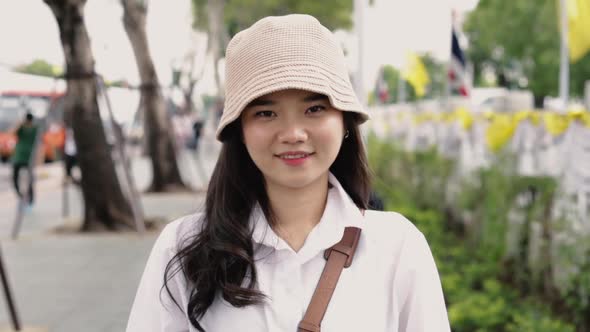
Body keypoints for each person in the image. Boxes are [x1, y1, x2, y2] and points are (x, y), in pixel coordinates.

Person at [127, 14, 449, 332]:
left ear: (345, 122)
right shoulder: (183, 248)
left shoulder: (397, 246)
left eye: (315, 109)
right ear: (240, 130)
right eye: (266, 113)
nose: (293, 133)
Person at [11, 112, 38, 205]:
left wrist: (20, 123)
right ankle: (22, 196)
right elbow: (13, 132)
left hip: (26, 157)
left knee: (27, 178)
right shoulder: (24, 128)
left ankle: (29, 198)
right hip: (20, 157)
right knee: (16, 177)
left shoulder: (34, 129)